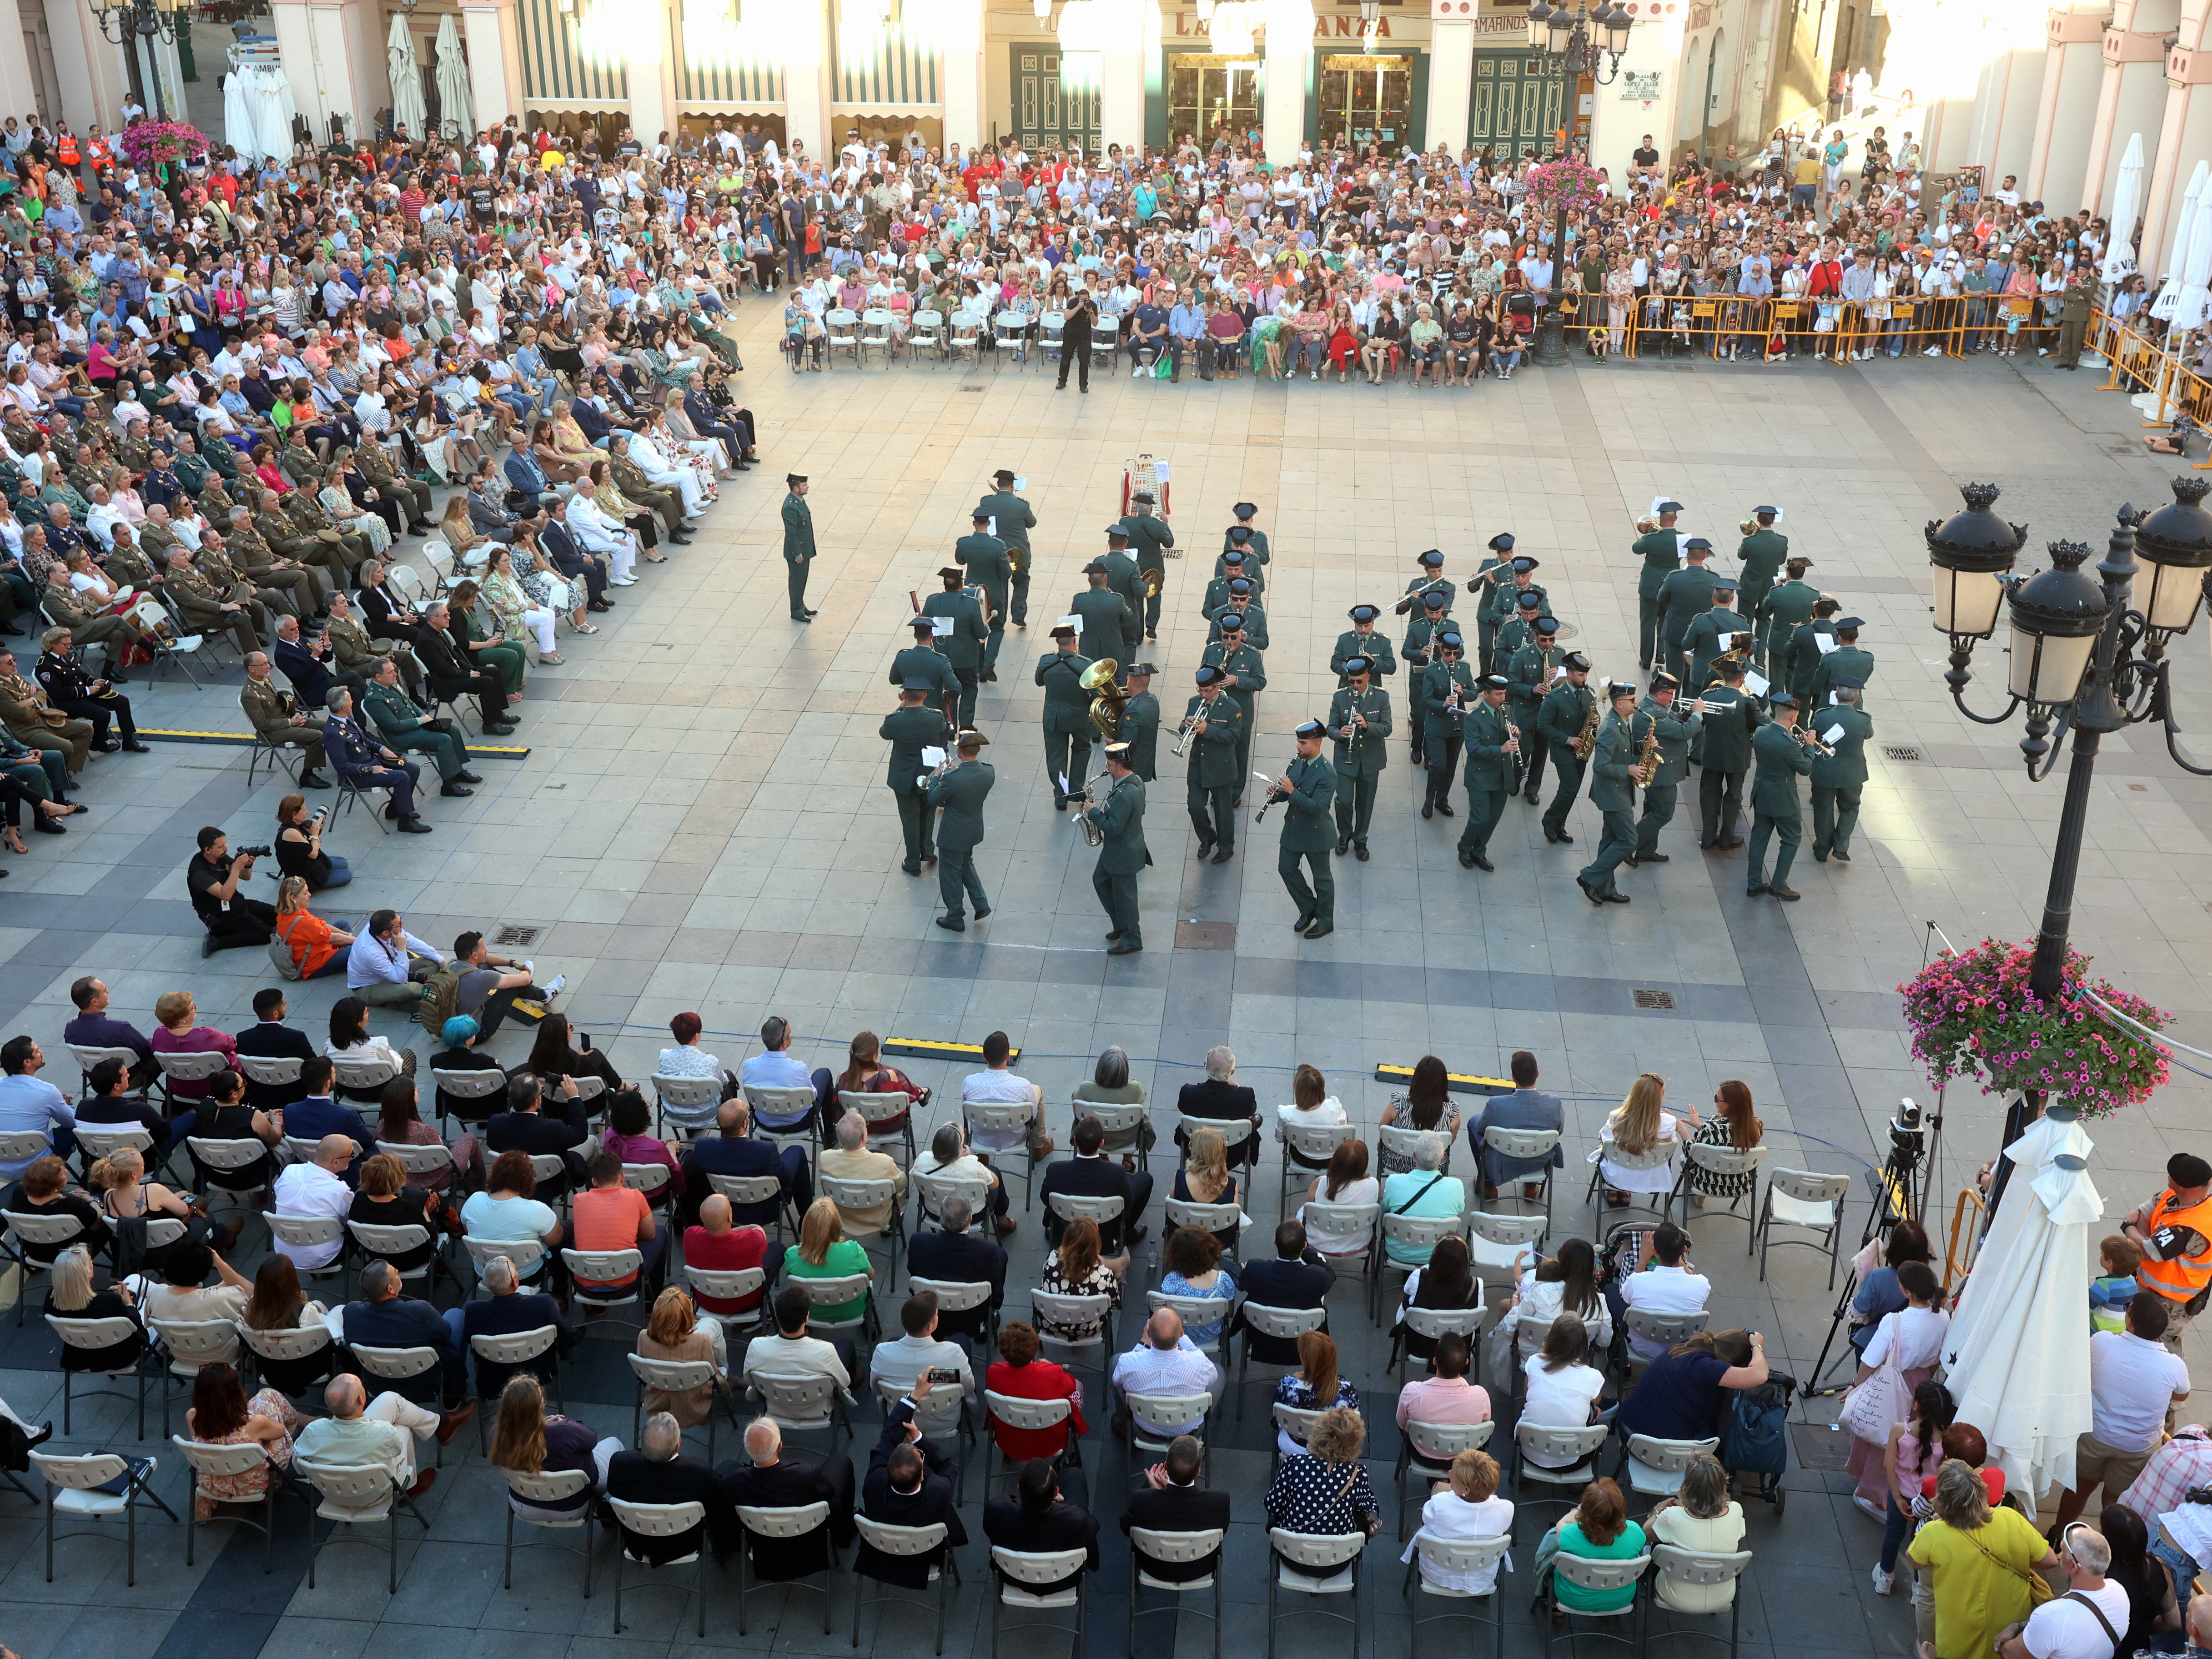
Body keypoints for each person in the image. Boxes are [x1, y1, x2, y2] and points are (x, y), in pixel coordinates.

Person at [2052, 1292, 2194, 1531]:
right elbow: (2181, 1395)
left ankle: (2060, 1532)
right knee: (2117, 1500)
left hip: (2095, 1435)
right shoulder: (2174, 1365)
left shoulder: (2102, 1343)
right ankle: (2110, 1544)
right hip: (2138, 1446)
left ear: (2130, 1321)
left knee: (2080, 1487)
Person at [859, 1382, 970, 1584]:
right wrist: (919, 1439)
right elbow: (947, 1466)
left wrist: (915, 1395)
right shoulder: (938, 1491)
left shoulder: (874, 1483)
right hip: (926, 1557)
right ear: (922, 1477)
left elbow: (888, 1436)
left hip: (881, 1553)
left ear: (886, 1470)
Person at [338, 1260, 473, 1421]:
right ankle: (454, 1396)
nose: (398, 1271)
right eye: (395, 1272)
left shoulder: (352, 1313)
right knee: (455, 1316)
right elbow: (446, 1333)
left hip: (378, 1380)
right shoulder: (420, 1311)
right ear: (390, 1289)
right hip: (427, 1377)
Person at [294, 1372, 446, 1503]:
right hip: (379, 1493)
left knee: (389, 1399)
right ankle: (410, 1487)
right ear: (361, 1399)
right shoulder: (384, 1433)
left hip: (333, 1495)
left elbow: (299, 1467)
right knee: (403, 1428)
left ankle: (441, 1424)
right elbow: (396, 1450)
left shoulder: (312, 1432)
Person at [487, 1373, 622, 1518]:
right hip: (573, 1507)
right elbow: (591, 1439)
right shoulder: (563, 1432)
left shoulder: (497, 1435)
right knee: (614, 1443)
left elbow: (525, 1435)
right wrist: (559, 1424)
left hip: (523, 1507)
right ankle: (620, 1512)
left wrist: (545, 1424)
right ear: (541, 1404)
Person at [1265, 1406, 1380, 1572]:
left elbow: (1272, 1506)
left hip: (1291, 1556)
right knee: (1358, 1514)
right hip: (1337, 1562)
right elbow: (1369, 1508)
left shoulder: (1295, 1464)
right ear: (1355, 1444)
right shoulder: (1357, 1475)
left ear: (1319, 1434)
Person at [182, 1362, 302, 1519]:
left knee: (264, 1405)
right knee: (268, 1397)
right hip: (253, 1485)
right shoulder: (255, 1424)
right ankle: (304, 1421)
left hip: (217, 1480)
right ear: (235, 1393)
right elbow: (281, 1433)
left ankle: (303, 1419)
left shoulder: (192, 1417)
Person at [1992, 1523, 2130, 1659]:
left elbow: (2011, 1654)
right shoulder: (2119, 1591)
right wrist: (2021, 1625)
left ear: (2073, 1566)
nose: (2059, 1555)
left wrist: (2007, 1638)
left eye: (2063, 1551)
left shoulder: (2051, 1617)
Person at [606, 1412, 728, 1564]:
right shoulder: (700, 1473)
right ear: (678, 1447)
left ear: (643, 1445)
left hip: (637, 1541)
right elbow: (717, 1505)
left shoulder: (619, 1463)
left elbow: (612, 1490)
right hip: (684, 1543)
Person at [1616, 1330, 1771, 1448]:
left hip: (1629, 1427)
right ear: (1730, 1362)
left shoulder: (1691, 1344)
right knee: (1719, 1436)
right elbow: (1760, 1375)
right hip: (1655, 1446)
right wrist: (1757, 1346)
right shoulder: (1708, 1369)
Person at [2123, 1152, 2212, 1354]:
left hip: (2172, 1304)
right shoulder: (2169, 1197)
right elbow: (2143, 1218)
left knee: (2165, 1350)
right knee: (2138, 1340)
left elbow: (2145, 1250)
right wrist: (2145, 1239)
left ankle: (2172, 1387)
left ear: (2179, 1184)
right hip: (2149, 1289)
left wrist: (2128, 1227)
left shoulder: (2192, 1229)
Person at [1122, 1433, 1230, 1581]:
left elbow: (1125, 1528)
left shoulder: (1142, 1500)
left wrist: (1157, 1493)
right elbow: (1223, 1529)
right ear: (1198, 1472)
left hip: (1153, 1567)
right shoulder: (1219, 1502)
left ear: (1166, 1466)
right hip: (1200, 1569)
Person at [1040, 1113, 1149, 1256]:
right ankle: (1125, 1233)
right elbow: (1128, 1204)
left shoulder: (1055, 1170)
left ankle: (1058, 1234)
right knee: (1146, 1179)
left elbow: (1045, 1199)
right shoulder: (1117, 1173)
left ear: (1075, 1140)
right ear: (1102, 1143)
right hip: (1106, 1230)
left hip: (1067, 1227)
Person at [984, 1458, 1099, 1595]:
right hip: (1064, 1580)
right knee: (1074, 1475)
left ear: (1019, 1488)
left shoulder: (997, 1511)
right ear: (1056, 1492)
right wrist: (1061, 1506)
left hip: (1012, 1577)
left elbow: (990, 1531)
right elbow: (1093, 1526)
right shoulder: (1076, 1520)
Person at [1538, 1478, 1646, 1619]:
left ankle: (1555, 1610)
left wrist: (1578, 1510)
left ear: (1586, 1512)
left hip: (1572, 1598)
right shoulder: (1636, 1532)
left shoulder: (1569, 1534)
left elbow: (1562, 1523)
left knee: (1552, 1566)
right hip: (1620, 1599)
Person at [905, 1193, 1006, 1342]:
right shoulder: (989, 1253)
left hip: (930, 1313)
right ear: (971, 1220)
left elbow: (913, 1271)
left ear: (940, 1216)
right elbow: (996, 1291)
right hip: (974, 1317)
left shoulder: (918, 1243)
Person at [985, 1319, 1085, 1465]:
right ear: (1034, 1349)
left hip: (1009, 1440)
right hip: (1051, 1442)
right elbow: (1071, 1386)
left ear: (1004, 1353)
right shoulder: (1052, 1373)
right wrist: (1048, 1367)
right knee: (1078, 1386)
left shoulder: (994, 1372)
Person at [1111, 1309, 1221, 1439]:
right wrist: (1184, 1339)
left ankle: (1122, 1418)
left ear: (1148, 1333)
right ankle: (1205, 1417)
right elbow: (1213, 1376)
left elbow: (1117, 1381)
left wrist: (1143, 1343)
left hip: (1144, 1429)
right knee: (1220, 1372)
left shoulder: (1127, 1363)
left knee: (1115, 1362)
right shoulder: (1200, 1364)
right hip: (1189, 1431)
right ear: (1181, 1333)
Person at [570, 1147, 662, 1298]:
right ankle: (652, 1300)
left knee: (577, 1241)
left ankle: (595, 1308)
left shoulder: (579, 1200)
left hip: (585, 1284)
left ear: (594, 1182)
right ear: (622, 1177)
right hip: (626, 1284)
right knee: (660, 1233)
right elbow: (649, 1234)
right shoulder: (635, 1196)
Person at [1615, 1223, 1712, 1359]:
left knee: (1611, 1290)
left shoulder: (1637, 1281)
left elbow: (1625, 1297)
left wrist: (1644, 1257)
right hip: (1682, 1348)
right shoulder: (1701, 1284)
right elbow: (1691, 1277)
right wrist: (1676, 1254)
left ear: (1654, 1251)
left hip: (1642, 1347)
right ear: (1684, 1250)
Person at [637, 1285, 728, 1427]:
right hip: (695, 1407)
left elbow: (643, 1373)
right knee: (712, 1326)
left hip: (656, 1405)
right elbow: (714, 1376)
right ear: (687, 1317)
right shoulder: (701, 1341)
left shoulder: (643, 1337)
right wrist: (728, 1393)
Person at [1596, 1073, 1693, 1207]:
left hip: (1617, 1172)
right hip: (1651, 1174)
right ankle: (1625, 1192)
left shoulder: (1617, 1117)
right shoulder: (1669, 1122)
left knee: (1610, 1149)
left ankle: (1615, 1190)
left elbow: (1605, 1141)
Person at [869, 1289, 977, 1404]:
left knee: (893, 1341)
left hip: (899, 1413)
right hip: (947, 1418)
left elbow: (875, 1388)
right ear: (930, 1327)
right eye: (937, 1314)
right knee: (961, 1338)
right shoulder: (954, 1354)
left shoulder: (882, 1354)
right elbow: (969, 1387)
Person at [186, 826, 276, 958]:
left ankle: (246, 927)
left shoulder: (220, 857)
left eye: (225, 844)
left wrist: (248, 865)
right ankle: (218, 941)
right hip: (221, 916)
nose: (226, 849)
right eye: (221, 846)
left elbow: (245, 877)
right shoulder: (200, 873)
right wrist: (236, 868)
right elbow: (226, 895)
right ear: (207, 850)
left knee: (277, 914)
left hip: (237, 904)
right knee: (266, 935)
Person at [1381, 1133, 1465, 1266]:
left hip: (1397, 1251)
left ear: (1414, 1156)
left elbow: (1386, 1207)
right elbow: (1461, 1209)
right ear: (1443, 1159)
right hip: (1438, 1254)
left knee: (1385, 1211)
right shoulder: (1456, 1186)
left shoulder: (1394, 1182)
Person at [1273, 1330, 1359, 1458]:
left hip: (1293, 1448)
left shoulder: (1287, 1385)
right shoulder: (1349, 1391)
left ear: (1306, 1360)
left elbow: (1277, 1416)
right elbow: (1353, 1425)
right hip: (1333, 1453)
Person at [1176, 1045, 1263, 1169]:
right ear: (1232, 1072)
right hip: (1232, 1155)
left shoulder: (1188, 1093)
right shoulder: (1245, 1096)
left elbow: (1182, 1107)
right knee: (1256, 1119)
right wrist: (1237, 1087)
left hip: (1197, 1152)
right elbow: (1250, 1110)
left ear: (1205, 1065)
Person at [0, 1035, 75, 1178]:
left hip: (2, 1168)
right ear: (27, 1062)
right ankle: (87, 1173)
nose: (42, 1053)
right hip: (38, 1166)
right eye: (37, 1051)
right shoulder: (46, 1091)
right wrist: (62, 1103)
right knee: (77, 1129)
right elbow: (70, 1122)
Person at [1038, 1214, 1121, 1342]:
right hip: (1089, 1331)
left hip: (1052, 1325)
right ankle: (1123, 1262)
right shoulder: (1104, 1276)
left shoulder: (1052, 1260)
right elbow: (1115, 1304)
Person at [1379, 1056, 1460, 1177]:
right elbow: (1449, 1143)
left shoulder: (1398, 1103)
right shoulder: (1452, 1113)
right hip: (1432, 1168)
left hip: (1396, 1164)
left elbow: (1383, 1130)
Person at [1158, 1224, 1237, 1346]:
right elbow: (1229, 1313)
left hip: (1178, 1336)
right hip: (1212, 1336)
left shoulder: (1172, 1280)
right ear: (1210, 1249)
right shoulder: (1224, 1280)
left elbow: (1164, 1310)